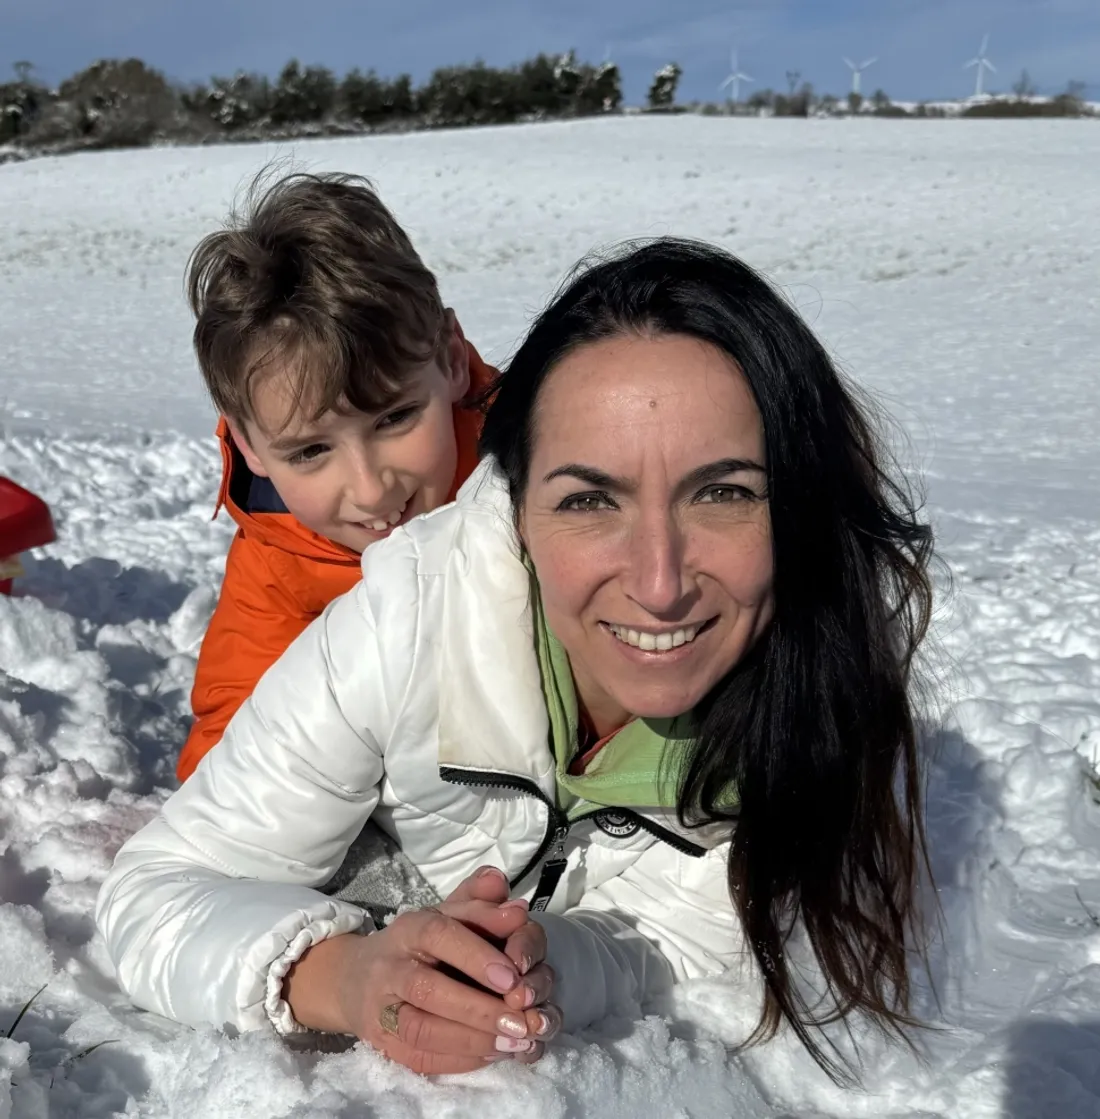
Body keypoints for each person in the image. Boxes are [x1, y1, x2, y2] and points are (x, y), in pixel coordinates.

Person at [97, 238, 934, 1082]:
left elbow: (675, 936)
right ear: (515, 503)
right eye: (588, 499)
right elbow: (160, 891)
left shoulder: (819, 714)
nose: (659, 581)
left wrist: (552, 959)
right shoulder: (410, 615)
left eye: (723, 491)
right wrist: (345, 975)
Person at [175, 170, 497, 782]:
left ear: (452, 361)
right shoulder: (278, 558)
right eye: (310, 452)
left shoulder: (538, 466)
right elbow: (233, 739)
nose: (372, 489)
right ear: (250, 449)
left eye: (396, 417)